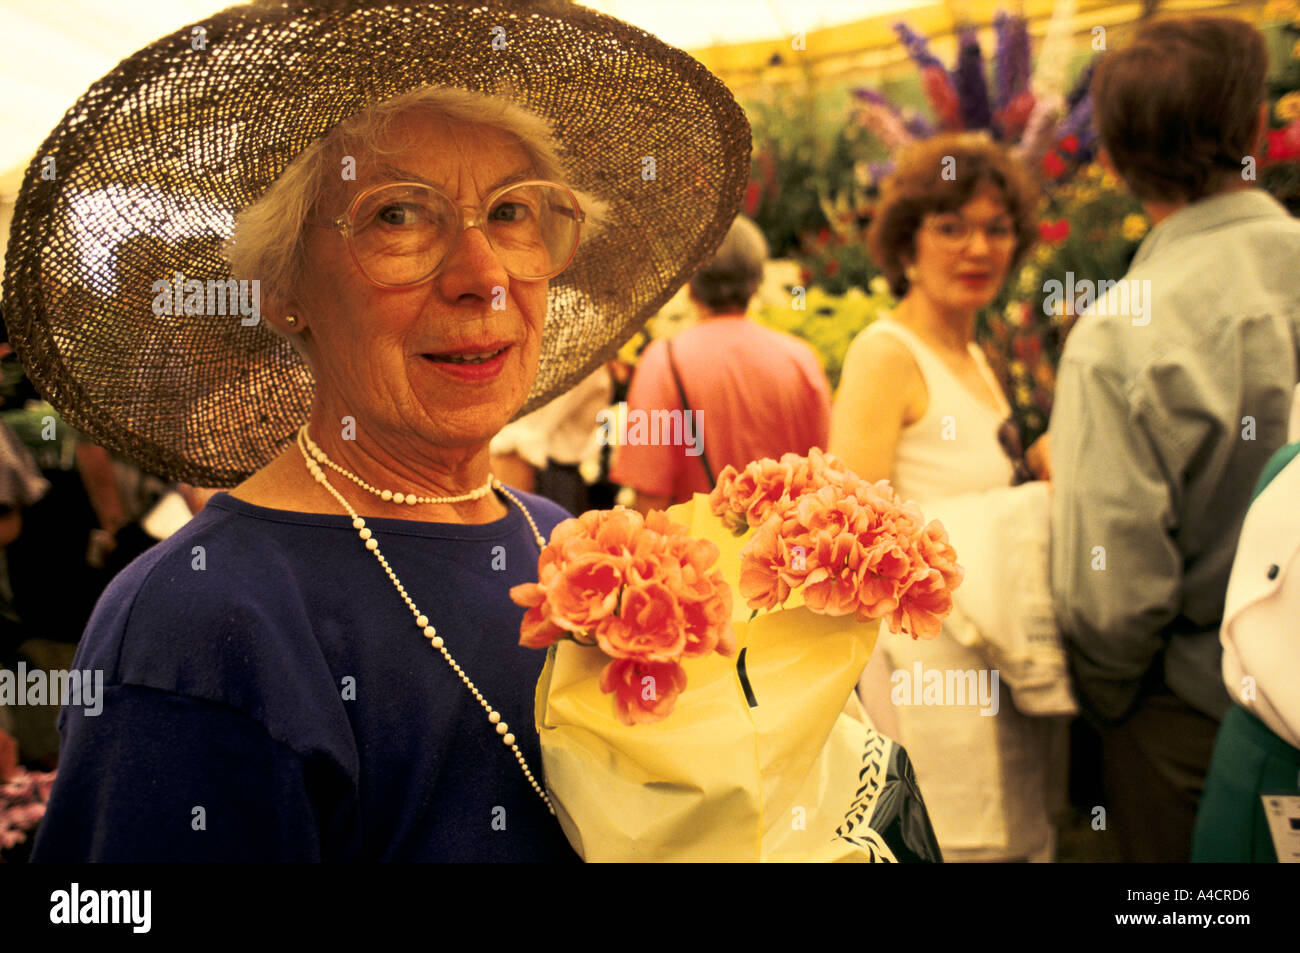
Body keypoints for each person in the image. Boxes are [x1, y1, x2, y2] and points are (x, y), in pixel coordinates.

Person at [5, 0, 748, 861]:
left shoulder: (574, 553)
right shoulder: (200, 623)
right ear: (285, 289)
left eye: (513, 212)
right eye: (400, 215)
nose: (483, 278)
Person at [1048, 16, 1300, 862]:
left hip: (1200, 722)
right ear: (1255, 127)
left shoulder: (1122, 336)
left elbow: (1111, 598)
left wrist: (1118, 701)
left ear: (1113, 162)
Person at [830, 133, 1063, 862]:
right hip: (928, 671)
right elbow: (851, 532)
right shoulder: (886, 351)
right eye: (951, 227)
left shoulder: (978, 356)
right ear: (908, 241)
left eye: (997, 229)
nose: (977, 248)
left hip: (998, 660)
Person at [609, 215, 832, 511]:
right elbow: (825, 478)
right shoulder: (801, 360)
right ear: (756, 283)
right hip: (784, 552)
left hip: (697, 552)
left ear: (690, 282)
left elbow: (651, 495)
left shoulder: (663, 362)